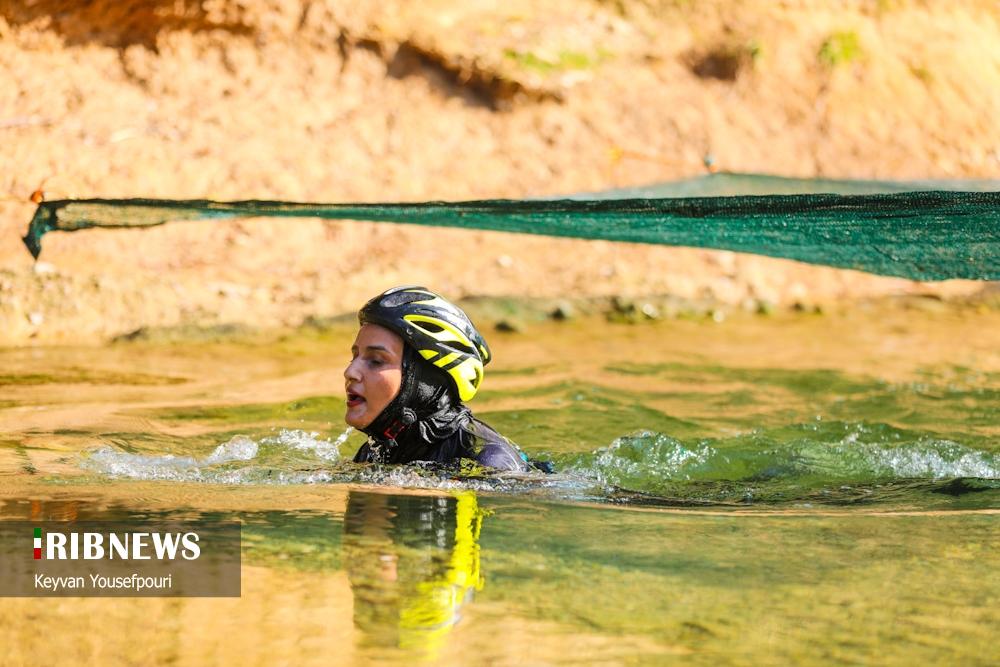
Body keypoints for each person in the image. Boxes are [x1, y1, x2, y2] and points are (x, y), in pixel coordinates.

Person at [344, 285, 535, 472]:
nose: (350, 371)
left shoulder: (488, 460)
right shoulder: (373, 451)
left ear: (425, 380)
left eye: (376, 361)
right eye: (355, 356)